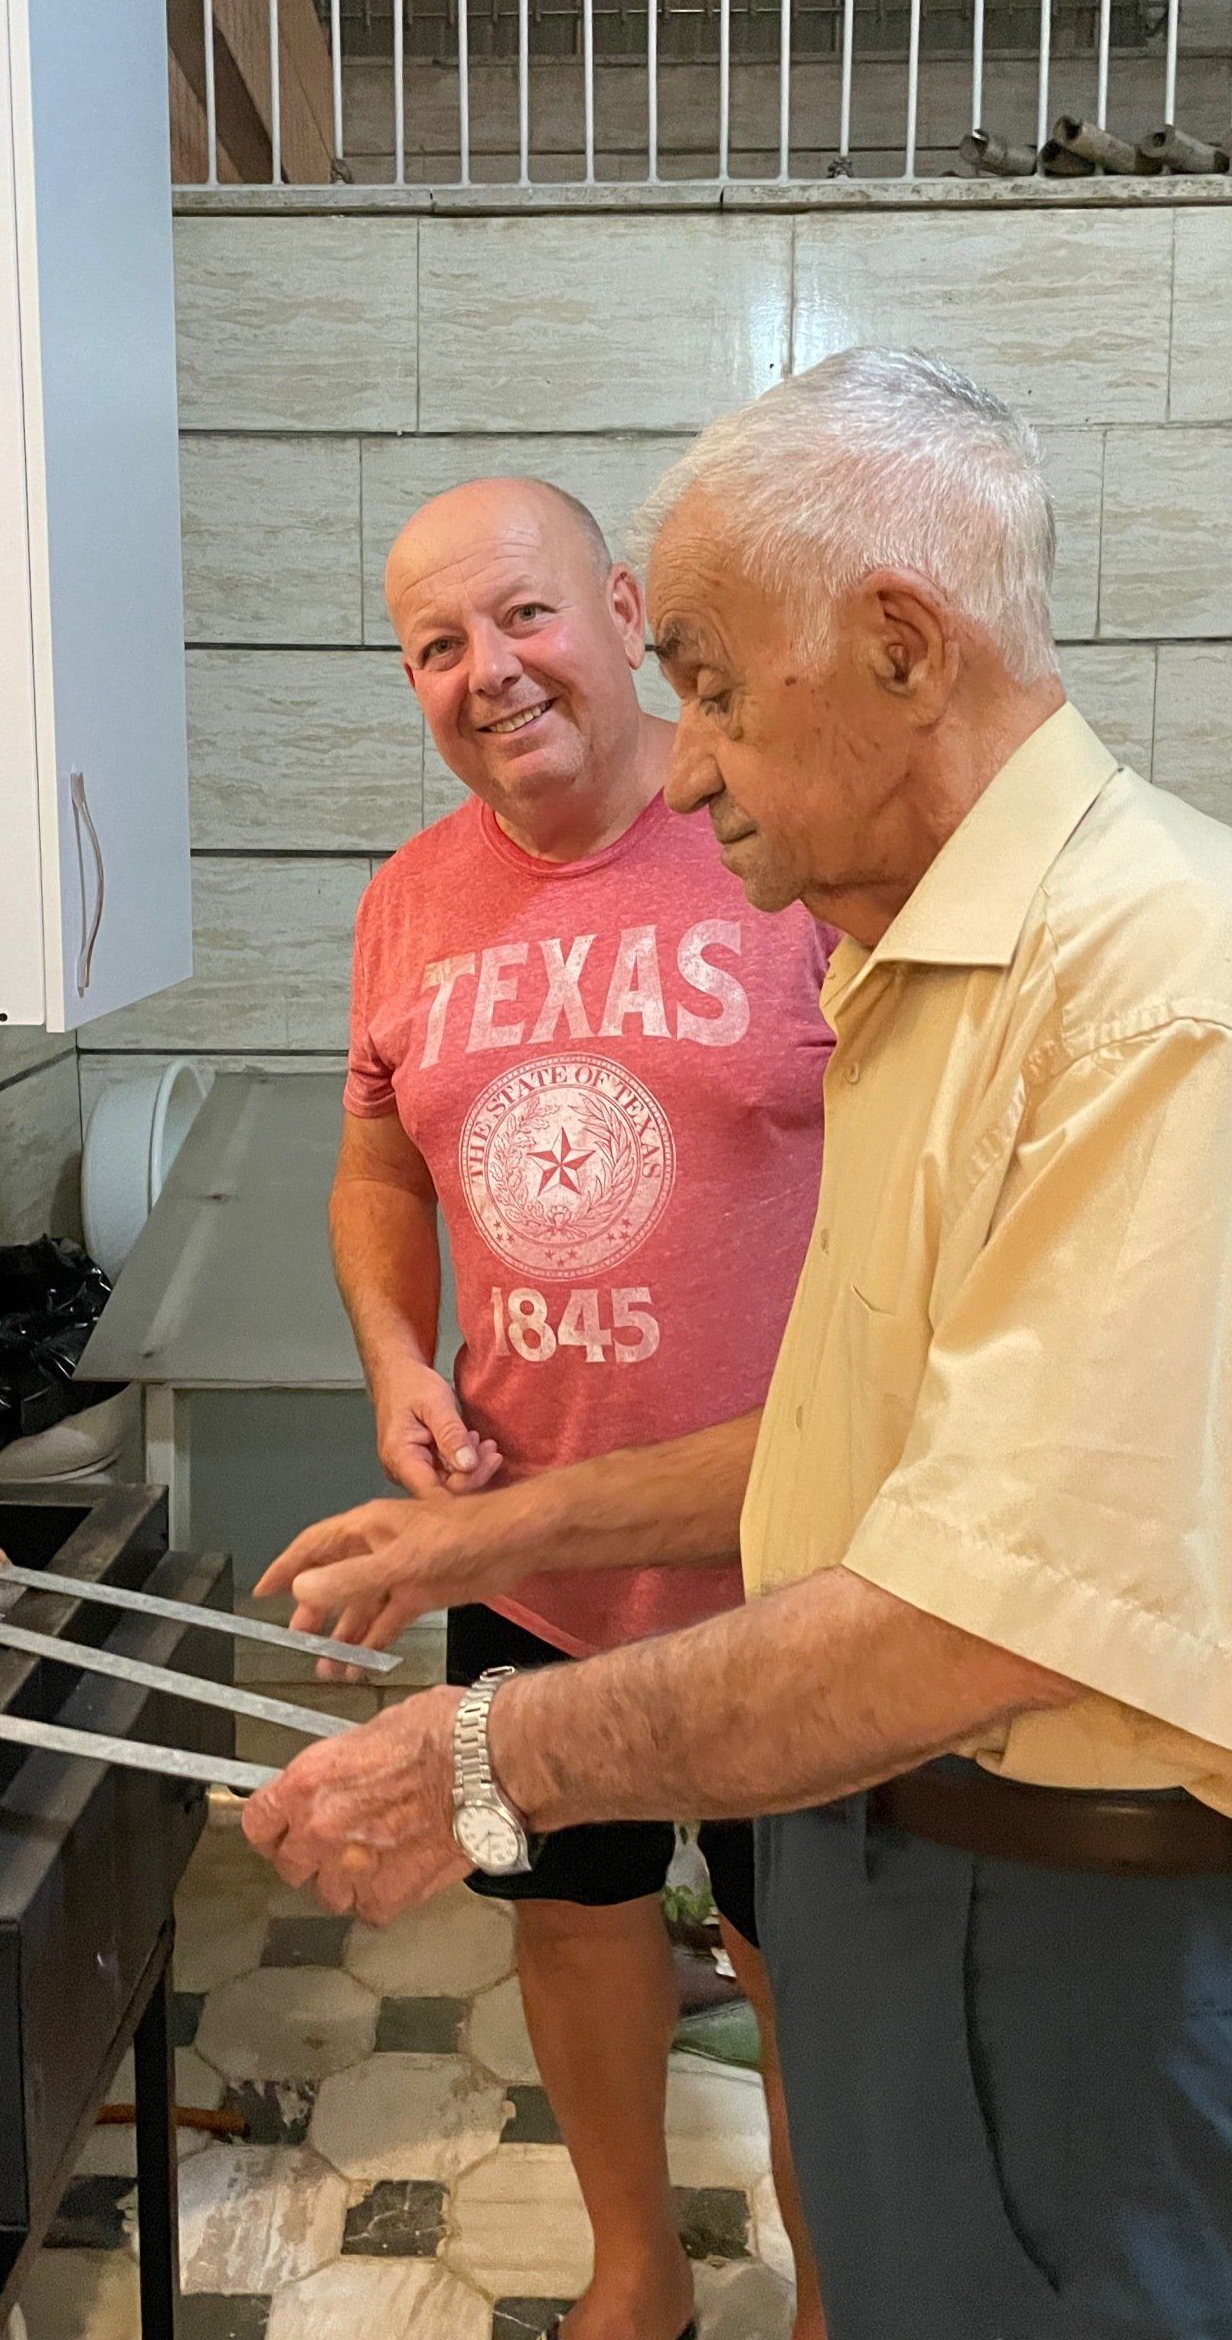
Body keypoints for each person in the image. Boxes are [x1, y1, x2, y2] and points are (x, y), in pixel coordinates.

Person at [245, 351, 1232, 2340]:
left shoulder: (1168, 992)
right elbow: (856, 1446)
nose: (689, 766)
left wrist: (484, 1754)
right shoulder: (934, 974)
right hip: (902, 1850)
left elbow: (993, 1612)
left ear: (902, 644)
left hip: (1076, 1923)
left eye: (712, 687)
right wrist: (480, 1540)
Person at [329, 475, 834, 2340]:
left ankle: (833, 2291)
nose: (489, 671)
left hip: (792, 1549)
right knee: (569, 1911)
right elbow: (375, 1167)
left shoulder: (781, 849)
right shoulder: (408, 898)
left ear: (624, 613)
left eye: (523, 616)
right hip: (526, 1549)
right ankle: (639, 2271)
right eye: (436, 646)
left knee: (806, 1959)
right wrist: (398, 1359)